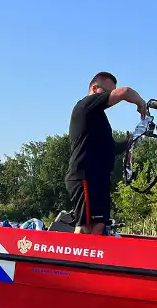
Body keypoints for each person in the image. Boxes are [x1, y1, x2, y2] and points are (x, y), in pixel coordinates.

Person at [61, 71, 149, 235]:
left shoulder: (99, 118)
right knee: (85, 227)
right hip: (84, 176)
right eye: (108, 92)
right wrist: (140, 103)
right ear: (95, 88)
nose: (110, 97)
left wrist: (128, 142)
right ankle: (75, 259)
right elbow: (125, 92)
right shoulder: (85, 105)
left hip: (99, 178)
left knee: (99, 226)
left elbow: (110, 148)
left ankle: (93, 260)